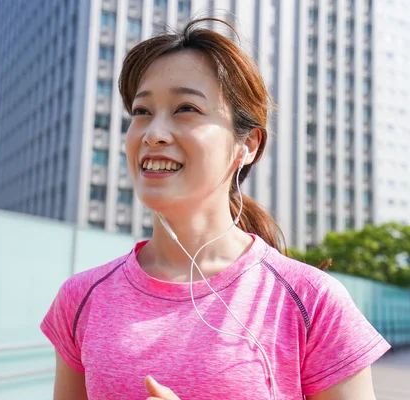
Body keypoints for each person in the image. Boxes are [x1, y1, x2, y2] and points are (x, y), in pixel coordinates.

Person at [40, 17, 390, 399]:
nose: (153, 133)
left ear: (248, 145)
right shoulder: (81, 297)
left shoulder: (311, 301)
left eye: (186, 108)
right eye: (141, 111)